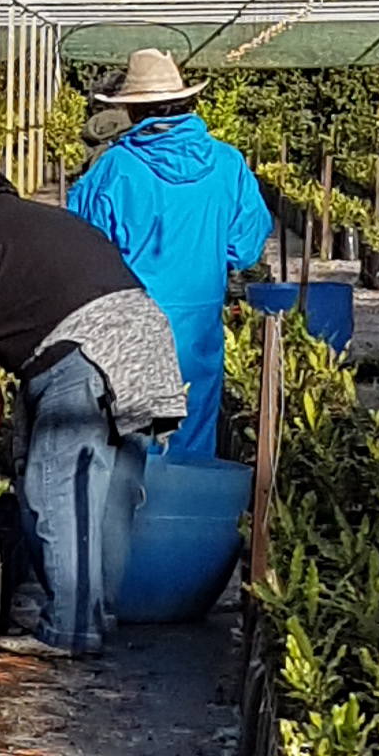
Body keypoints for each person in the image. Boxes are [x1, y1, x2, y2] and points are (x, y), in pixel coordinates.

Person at [0, 166, 187, 655]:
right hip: (147, 341)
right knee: (110, 493)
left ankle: (71, 629)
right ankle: (98, 612)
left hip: (83, 352)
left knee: (59, 489)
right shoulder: (51, 220)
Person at [64, 49, 274, 463]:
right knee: (192, 440)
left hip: (129, 327)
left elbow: (79, 247)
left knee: (133, 445)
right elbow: (246, 245)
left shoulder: (115, 168)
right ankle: (185, 522)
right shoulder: (227, 163)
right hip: (199, 327)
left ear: (131, 108)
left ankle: (134, 524)